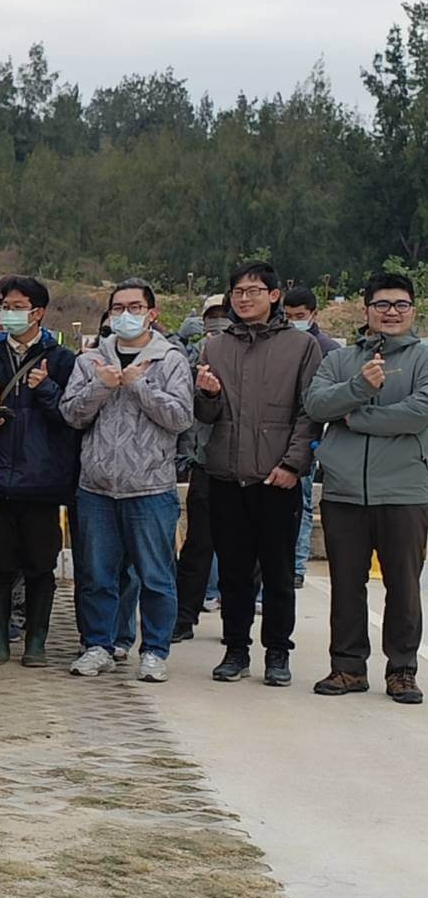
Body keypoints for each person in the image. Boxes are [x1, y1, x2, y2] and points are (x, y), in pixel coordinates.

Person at [194, 263, 322, 687]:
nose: (244, 298)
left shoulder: (300, 346)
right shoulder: (215, 347)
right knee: (232, 569)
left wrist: (292, 465)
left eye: (253, 290)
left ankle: (278, 652)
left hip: (275, 478)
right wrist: (208, 395)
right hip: (227, 474)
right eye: (237, 291)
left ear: (273, 296)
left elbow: (309, 413)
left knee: (278, 570)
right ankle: (235, 649)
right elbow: (206, 415)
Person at [61, 278, 194, 682]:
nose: (125, 315)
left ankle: (154, 650)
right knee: (97, 575)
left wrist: (138, 385)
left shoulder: (169, 359)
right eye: (117, 308)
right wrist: (102, 386)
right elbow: (71, 413)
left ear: (152, 313)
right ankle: (98, 644)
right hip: (97, 487)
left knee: (155, 576)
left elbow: (180, 417)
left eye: (134, 307)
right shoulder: (90, 360)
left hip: (150, 488)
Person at [304, 272, 427, 704]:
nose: (391, 313)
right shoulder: (340, 359)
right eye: (382, 305)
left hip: (406, 490)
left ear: (413, 310)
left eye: (400, 305)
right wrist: (360, 386)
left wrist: (354, 417)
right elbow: (316, 403)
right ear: (367, 310)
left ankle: (403, 670)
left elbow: (418, 413)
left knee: (404, 585)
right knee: (347, 584)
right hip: (344, 491)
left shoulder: (423, 358)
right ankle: (348, 667)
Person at [0, 276, 79, 666]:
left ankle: (37, 641)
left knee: (40, 565)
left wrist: (47, 389)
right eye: (5, 305)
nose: (9, 313)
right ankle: (0, 639)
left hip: (43, 482)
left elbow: (73, 416)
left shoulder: (63, 360)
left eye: (17, 306)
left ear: (38, 312)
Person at [173, 294, 230, 642]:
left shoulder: (245, 354)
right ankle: (183, 616)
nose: (219, 322)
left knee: (244, 553)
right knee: (197, 547)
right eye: (213, 316)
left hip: (245, 465)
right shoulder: (193, 354)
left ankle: (236, 625)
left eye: (225, 316)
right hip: (205, 464)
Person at [281, 285, 339, 590]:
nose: (293, 322)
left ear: (313, 314)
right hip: (276, 437)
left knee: (302, 503)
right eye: (287, 316)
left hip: (309, 437)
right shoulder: (278, 343)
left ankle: (297, 564)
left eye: (299, 316)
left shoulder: (326, 349)